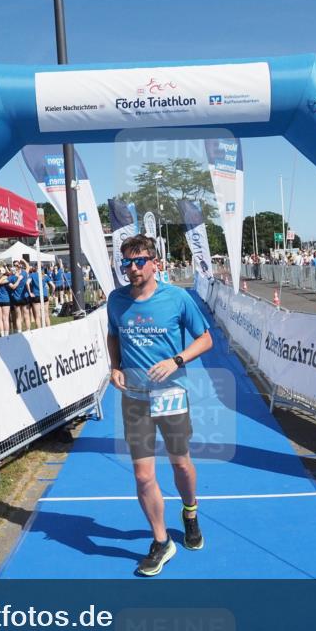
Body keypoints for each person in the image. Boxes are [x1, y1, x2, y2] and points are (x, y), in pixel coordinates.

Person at [107, 235, 213, 577]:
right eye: (127, 263)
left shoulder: (177, 298)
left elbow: (206, 339)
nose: (133, 268)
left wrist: (176, 360)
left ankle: (190, 511)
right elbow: (113, 335)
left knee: (180, 464)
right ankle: (161, 540)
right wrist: (114, 366)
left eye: (140, 261)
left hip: (171, 395)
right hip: (134, 399)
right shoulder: (116, 300)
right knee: (142, 475)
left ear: (155, 263)